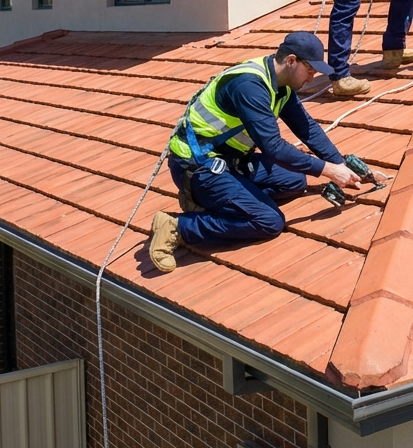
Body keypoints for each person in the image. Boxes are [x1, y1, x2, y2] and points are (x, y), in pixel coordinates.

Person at [147, 31, 362, 272]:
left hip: (234, 162)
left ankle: (228, 200)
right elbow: (274, 148)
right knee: (268, 221)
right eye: (310, 71)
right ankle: (177, 226)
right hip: (198, 167)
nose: (312, 79)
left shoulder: (280, 85)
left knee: (295, 180)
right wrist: (328, 170)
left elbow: (307, 128)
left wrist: (340, 164)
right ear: (291, 61)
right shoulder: (249, 86)